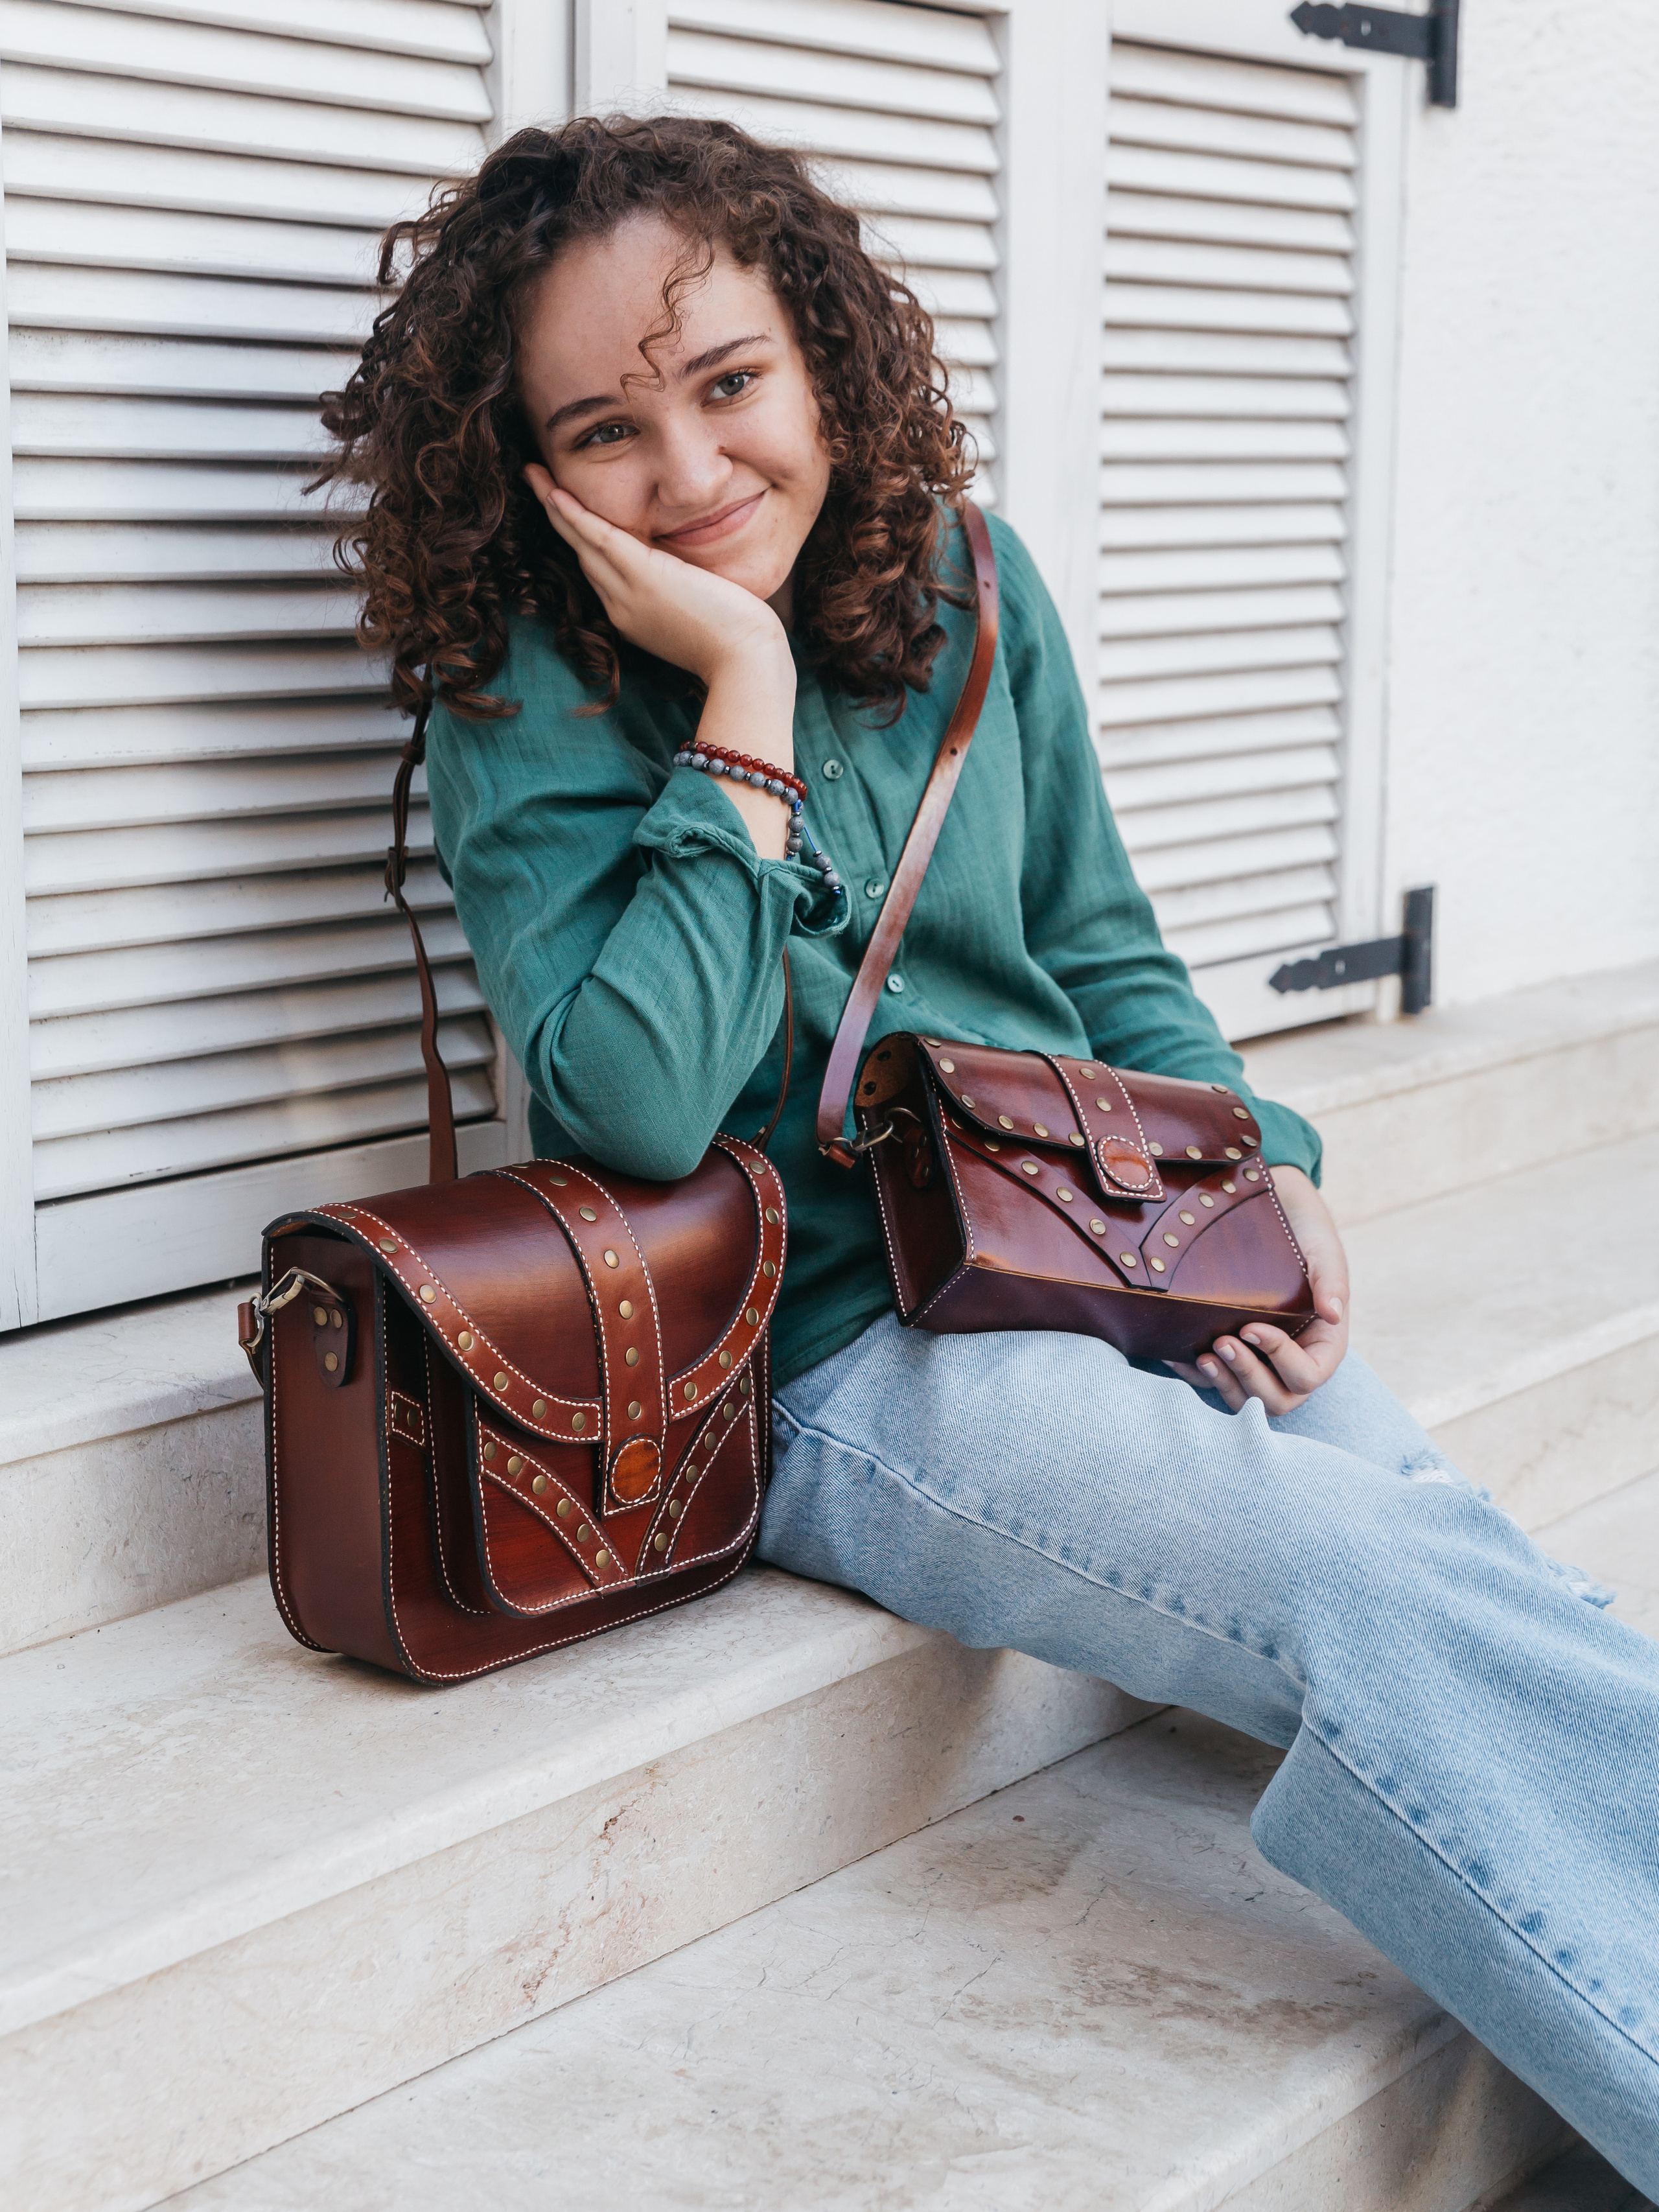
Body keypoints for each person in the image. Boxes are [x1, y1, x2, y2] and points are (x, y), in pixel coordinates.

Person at [318, 116, 1659, 2189]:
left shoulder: (964, 576)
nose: (688, 473)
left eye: (731, 383)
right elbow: (630, 1103)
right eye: (604, 430)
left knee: (1459, 1553)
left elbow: (1104, 949)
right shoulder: (532, 681)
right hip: (850, 1343)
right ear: (532, 473)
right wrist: (739, 702)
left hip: (1103, 1234)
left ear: (827, 360)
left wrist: (1267, 1175)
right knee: (1365, 1579)